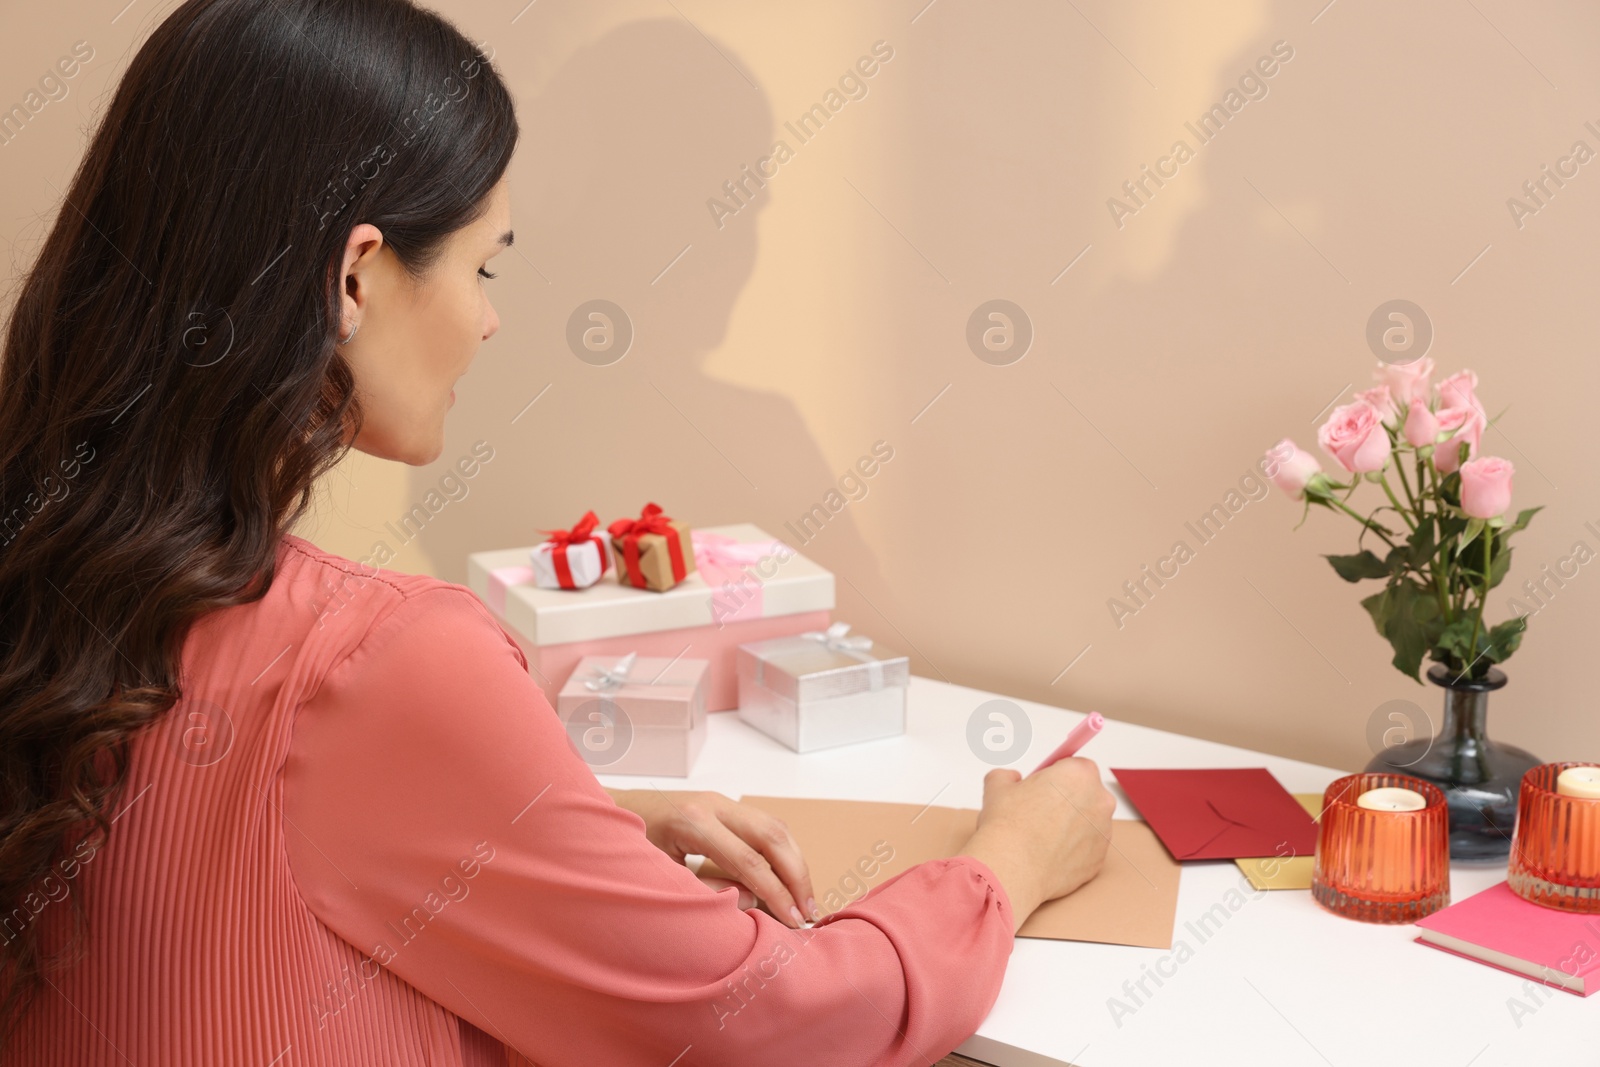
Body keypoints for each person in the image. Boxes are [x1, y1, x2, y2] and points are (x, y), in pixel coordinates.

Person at [0, 2, 1115, 1064]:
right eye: (483, 267)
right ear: (354, 274)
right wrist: (1010, 862)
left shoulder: (53, 567)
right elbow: (784, 1022)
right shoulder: (378, 655)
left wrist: (584, 818)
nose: (489, 318)